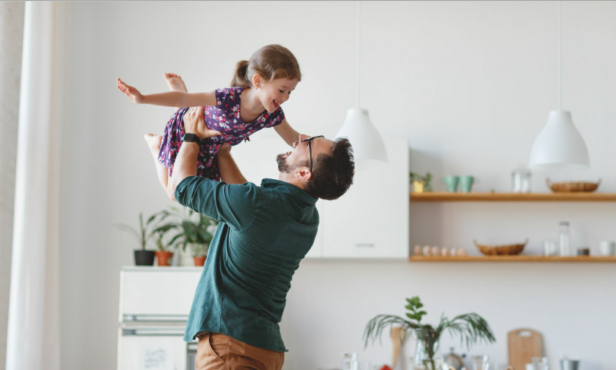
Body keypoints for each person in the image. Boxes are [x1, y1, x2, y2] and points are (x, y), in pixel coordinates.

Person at [166, 105, 354, 370]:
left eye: (308, 143)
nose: (301, 138)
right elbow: (246, 203)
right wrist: (221, 150)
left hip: (230, 347)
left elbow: (180, 187)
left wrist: (191, 136)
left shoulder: (255, 205)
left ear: (303, 173)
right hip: (264, 349)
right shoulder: (307, 218)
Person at [116, 44, 302, 198]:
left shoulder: (272, 115)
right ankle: (156, 145)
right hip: (185, 133)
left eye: (290, 92)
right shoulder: (228, 98)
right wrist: (142, 98)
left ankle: (182, 94)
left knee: (197, 193)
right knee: (174, 194)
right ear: (258, 81)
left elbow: (294, 138)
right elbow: (181, 99)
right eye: (282, 90)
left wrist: (328, 147)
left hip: (209, 149)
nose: (286, 97)